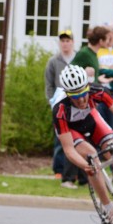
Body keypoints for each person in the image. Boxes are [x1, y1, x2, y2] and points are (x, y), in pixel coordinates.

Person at [52, 65, 113, 224]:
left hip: (92, 121)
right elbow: (69, 149)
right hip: (72, 131)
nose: (81, 100)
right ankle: (108, 209)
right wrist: (84, 165)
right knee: (91, 158)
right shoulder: (60, 109)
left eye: (83, 93)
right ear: (67, 94)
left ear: (88, 87)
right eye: (75, 96)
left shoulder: (97, 91)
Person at [44, 30, 78, 179]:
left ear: (72, 42)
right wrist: (52, 101)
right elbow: (49, 84)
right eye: (62, 41)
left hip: (76, 103)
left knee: (77, 137)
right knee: (60, 138)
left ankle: (76, 171)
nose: (65, 44)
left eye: (68, 41)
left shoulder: (78, 58)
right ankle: (59, 170)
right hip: (59, 102)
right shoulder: (53, 61)